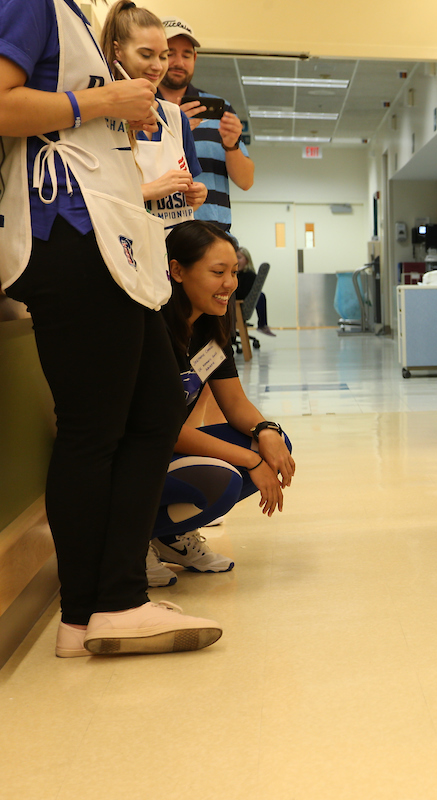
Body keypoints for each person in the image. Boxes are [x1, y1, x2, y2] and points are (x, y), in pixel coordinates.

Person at [1, 0, 221, 657]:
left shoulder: (68, 15)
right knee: (95, 427)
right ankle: (102, 605)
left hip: (108, 241)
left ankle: (99, 607)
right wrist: (99, 104)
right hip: (67, 236)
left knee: (155, 407)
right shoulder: (30, 4)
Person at [145, 221, 296, 586]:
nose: (230, 283)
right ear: (177, 270)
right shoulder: (153, 329)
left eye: (234, 271)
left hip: (165, 446)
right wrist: (250, 459)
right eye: (218, 272)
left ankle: (167, 538)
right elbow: (163, 429)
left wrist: (267, 431)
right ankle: (129, 541)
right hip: (135, 456)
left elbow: (236, 403)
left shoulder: (208, 328)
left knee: (275, 444)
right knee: (224, 477)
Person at [99, 2, 207, 229]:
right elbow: (92, 200)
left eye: (163, 56)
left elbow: (183, 193)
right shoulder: (100, 115)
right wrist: (148, 191)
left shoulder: (176, 118)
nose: (157, 66)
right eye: (146, 55)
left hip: (173, 250)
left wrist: (194, 196)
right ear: (118, 51)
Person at [157, 17, 254, 232]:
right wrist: (173, 127)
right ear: (157, 55)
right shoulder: (143, 108)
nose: (178, 63)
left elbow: (246, 181)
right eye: (170, 53)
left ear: (195, 58)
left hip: (213, 235)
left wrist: (231, 145)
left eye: (186, 55)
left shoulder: (221, 111)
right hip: (158, 232)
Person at [236, 246, 273, 336]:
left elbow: (241, 294)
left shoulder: (249, 275)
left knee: (260, 295)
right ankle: (262, 325)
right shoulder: (238, 274)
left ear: (247, 261)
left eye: (239, 258)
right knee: (261, 295)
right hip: (234, 306)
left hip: (235, 307)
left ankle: (262, 325)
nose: (236, 261)